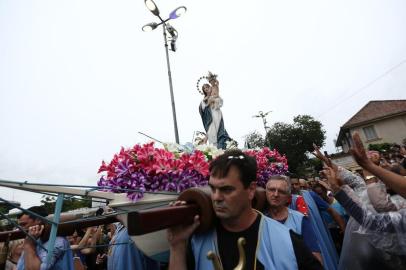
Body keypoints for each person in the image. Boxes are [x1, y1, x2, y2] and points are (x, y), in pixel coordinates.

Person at [167, 149, 322, 270]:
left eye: (226, 190)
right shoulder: (198, 241)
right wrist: (177, 246)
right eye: (213, 189)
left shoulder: (287, 240)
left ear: (251, 190)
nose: (216, 197)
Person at [265, 175, 322, 264]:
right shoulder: (260, 221)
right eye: (271, 190)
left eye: (281, 191)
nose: (275, 194)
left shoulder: (300, 220)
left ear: (288, 197)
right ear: (265, 192)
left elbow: (315, 258)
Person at [16, 206, 74, 270]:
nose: (20, 229)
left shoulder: (58, 241)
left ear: (38, 220)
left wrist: (29, 245)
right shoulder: (34, 240)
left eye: (24, 224)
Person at [198, 74, 232, 149]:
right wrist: (207, 102)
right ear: (203, 91)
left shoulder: (215, 94)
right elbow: (202, 108)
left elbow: (220, 103)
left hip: (217, 114)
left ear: (210, 87)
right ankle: (215, 149)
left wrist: (214, 100)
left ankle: (222, 147)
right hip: (209, 118)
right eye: (204, 88)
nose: (206, 89)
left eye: (207, 87)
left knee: (220, 131)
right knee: (211, 132)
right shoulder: (203, 100)